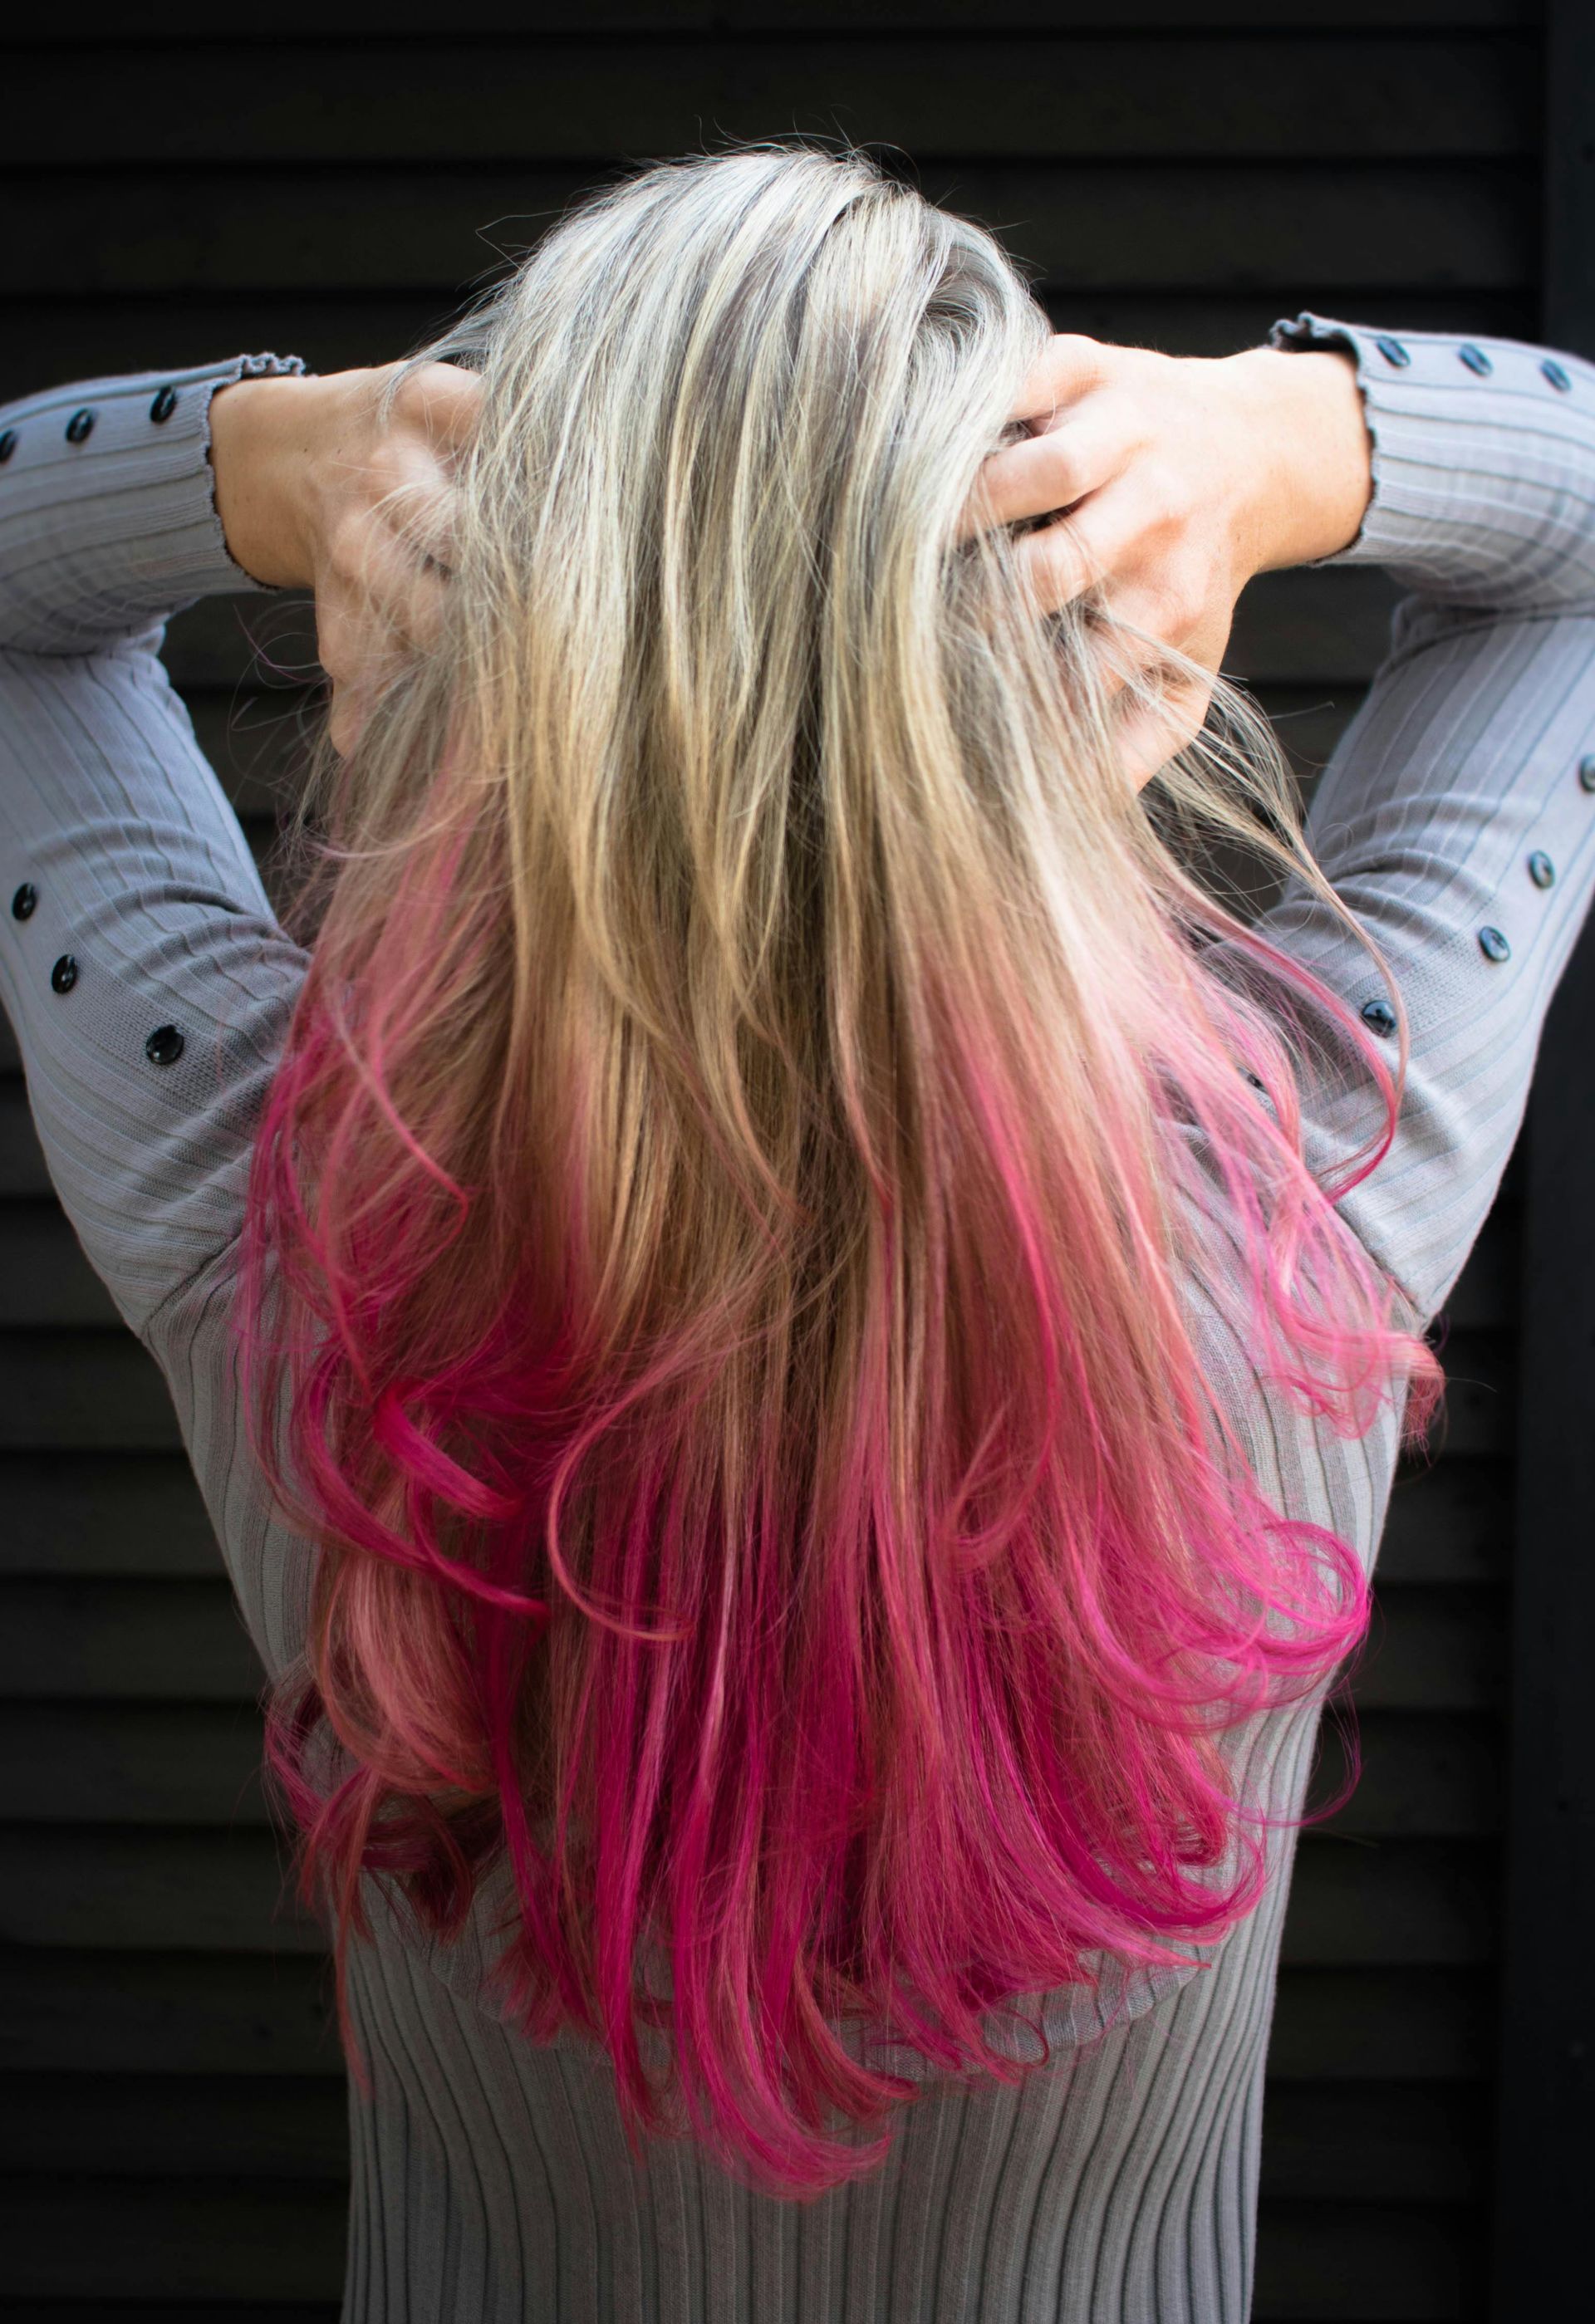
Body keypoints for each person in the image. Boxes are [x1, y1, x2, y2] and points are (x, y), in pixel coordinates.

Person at [2, 144, 1593, 2324]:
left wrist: (277, 462)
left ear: (508, 664)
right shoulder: (1303, 1174)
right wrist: (1281, 441)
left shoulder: (273, 1182)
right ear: (1065, 664)